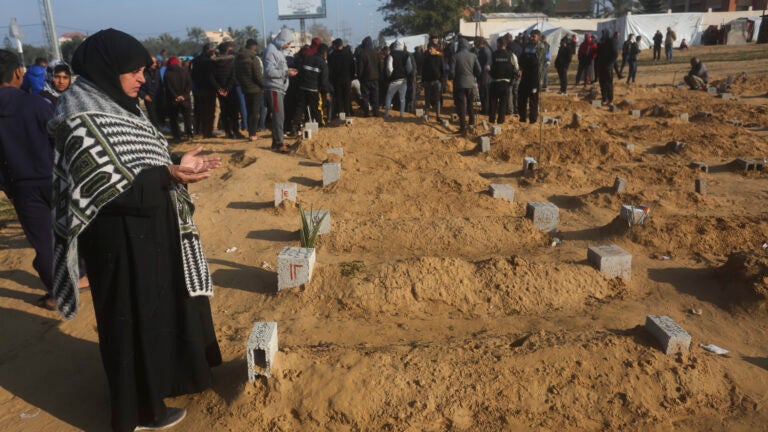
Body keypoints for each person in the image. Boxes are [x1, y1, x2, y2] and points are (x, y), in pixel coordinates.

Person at [48, 28, 222, 432]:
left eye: (144, 69)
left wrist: (176, 161)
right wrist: (167, 174)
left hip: (150, 232)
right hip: (118, 241)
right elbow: (99, 181)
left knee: (158, 313)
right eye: (134, 70)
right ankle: (142, 411)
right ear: (108, 69)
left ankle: (162, 384)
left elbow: (139, 158)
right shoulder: (80, 114)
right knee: (131, 321)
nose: (142, 78)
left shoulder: (124, 104)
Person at [0, 49, 56, 309]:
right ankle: (83, 277)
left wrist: (8, 187)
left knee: (43, 243)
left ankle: (57, 294)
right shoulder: (36, 103)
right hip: (55, 179)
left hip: (22, 187)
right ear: (18, 72)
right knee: (71, 232)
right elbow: (61, 140)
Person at [263, 28, 298, 153]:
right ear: (282, 39)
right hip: (274, 87)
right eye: (287, 43)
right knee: (279, 116)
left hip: (279, 87)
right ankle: (279, 143)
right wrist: (286, 72)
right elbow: (269, 71)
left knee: (279, 116)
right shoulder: (270, 52)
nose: (287, 46)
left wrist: (287, 73)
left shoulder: (277, 51)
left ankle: (276, 142)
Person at [292, 43, 332, 131]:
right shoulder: (322, 63)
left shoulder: (307, 58)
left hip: (302, 87)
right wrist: (326, 92)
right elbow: (324, 80)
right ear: (325, 53)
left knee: (300, 107)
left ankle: (295, 126)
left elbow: (299, 72)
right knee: (316, 108)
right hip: (313, 89)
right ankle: (320, 125)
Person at [451, 36, 481, 133]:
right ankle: (471, 124)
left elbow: (452, 73)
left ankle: (463, 126)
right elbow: (479, 70)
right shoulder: (473, 56)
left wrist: (455, 77)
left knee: (462, 106)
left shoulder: (455, 56)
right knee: (470, 104)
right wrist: (473, 76)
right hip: (471, 84)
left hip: (459, 84)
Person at [235, 39, 263, 142]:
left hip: (245, 88)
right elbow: (258, 75)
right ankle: (253, 134)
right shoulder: (253, 58)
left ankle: (250, 133)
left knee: (249, 111)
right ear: (254, 46)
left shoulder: (238, 59)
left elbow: (236, 74)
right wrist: (263, 85)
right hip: (255, 88)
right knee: (255, 113)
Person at [488, 37, 518, 125]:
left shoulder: (493, 54)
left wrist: (491, 74)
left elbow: (487, 67)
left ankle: (491, 121)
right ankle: (500, 121)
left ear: (498, 44)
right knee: (503, 103)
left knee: (493, 103)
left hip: (494, 82)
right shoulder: (511, 55)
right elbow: (516, 68)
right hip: (506, 83)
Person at [518, 30, 545, 124]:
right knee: (521, 97)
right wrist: (520, 68)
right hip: (525, 75)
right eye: (531, 36)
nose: (532, 38)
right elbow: (521, 58)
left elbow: (541, 59)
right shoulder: (526, 46)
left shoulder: (541, 47)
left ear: (538, 37)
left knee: (533, 99)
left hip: (535, 77)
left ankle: (533, 119)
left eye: (534, 36)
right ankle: (522, 117)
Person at [164, 56, 193, 142]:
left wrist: (176, 96)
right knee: (187, 117)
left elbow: (168, 87)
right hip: (185, 99)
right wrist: (184, 96)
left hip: (173, 100)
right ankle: (189, 135)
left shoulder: (167, 73)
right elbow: (189, 84)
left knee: (174, 119)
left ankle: (177, 137)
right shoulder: (184, 71)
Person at [383, 40, 413, 118]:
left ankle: (386, 113)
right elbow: (409, 67)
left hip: (394, 80)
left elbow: (389, 68)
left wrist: (390, 75)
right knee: (402, 98)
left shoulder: (391, 54)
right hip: (403, 80)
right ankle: (401, 114)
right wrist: (406, 73)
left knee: (389, 96)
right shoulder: (406, 55)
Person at [328, 38, 355, 118]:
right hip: (347, 78)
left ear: (335, 45)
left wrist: (332, 79)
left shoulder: (332, 55)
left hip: (337, 79)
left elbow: (330, 69)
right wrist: (351, 77)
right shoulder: (348, 54)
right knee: (347, 96)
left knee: (338, 96)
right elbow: (353, 66)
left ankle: (340, 112)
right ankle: (348, 112)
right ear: (342, 44)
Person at [356, 36, 381, 117]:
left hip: (365, 79)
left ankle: (366, 112)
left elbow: (360, 69)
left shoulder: (362, 54)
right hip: (375, 79)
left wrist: (360, 78)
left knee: (365, 96)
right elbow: (380, 67)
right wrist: (379, 76)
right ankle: (376, 112)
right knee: (375, 96)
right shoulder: (376, 54)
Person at [421, 41, 444, 122]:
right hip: (427, 82)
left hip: (436, 82)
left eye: (431, 49)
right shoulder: (426, 58)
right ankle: (427, 115)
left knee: (437, 99)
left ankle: (438, 116)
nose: (429, 50)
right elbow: (423, 70)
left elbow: (442, 70)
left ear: (435, 49)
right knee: (427, 99)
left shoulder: (439, 57)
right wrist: (423, 81)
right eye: (429, 49)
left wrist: (441, 81)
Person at [596, 30, 617, 106]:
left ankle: (610, 99)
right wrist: (599, 44)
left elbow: (615, 54)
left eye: (604, 34)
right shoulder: (602, 42)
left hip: (608, 66)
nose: (603, 35)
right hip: (601, 65)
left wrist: (610, 63)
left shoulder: (611, 41)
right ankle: (604, 98)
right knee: (602, 83)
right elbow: (598, 54)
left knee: (608, 84)